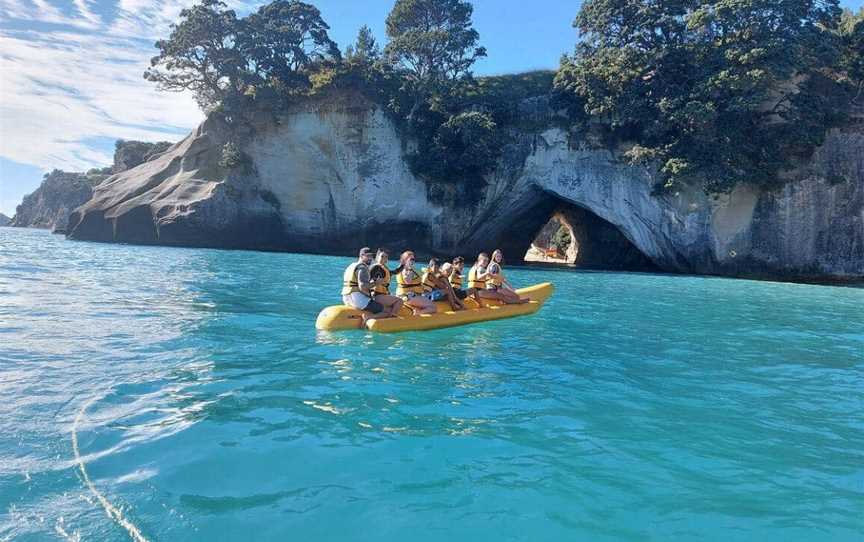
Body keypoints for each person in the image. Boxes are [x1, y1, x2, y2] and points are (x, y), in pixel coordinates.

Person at [341, 247, 400, 322]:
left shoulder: (351, 266)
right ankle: (368, 318)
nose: (370, 258)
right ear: (361, 256)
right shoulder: (363, 268)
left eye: (371, 256)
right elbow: (362, 286)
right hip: (357, 299)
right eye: (368, 256)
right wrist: (376, 283)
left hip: (346, 298)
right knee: (387, 311)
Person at [394, 251, 437, 315]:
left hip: (408, 296)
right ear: (405, 260)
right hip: (408, 297)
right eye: (411, 259)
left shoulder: (403, 268)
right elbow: (407, 281)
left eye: (413, 259)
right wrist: (409, 269)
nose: (413, 261)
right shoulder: (405, 269)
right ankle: (417, 312)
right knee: (433, 307)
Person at [368, 249, 404, 314]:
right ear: (377, 257)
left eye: (386, 257)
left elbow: (395, 272)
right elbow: (368, 280)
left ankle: (383, 315)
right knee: (400, 301)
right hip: (377, 296)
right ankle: (392, 316)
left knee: (393, 301)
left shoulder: (384, 268)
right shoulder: (376, 268)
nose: (384, 258)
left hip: (381, 295)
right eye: (382, 256)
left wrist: (402, 264)